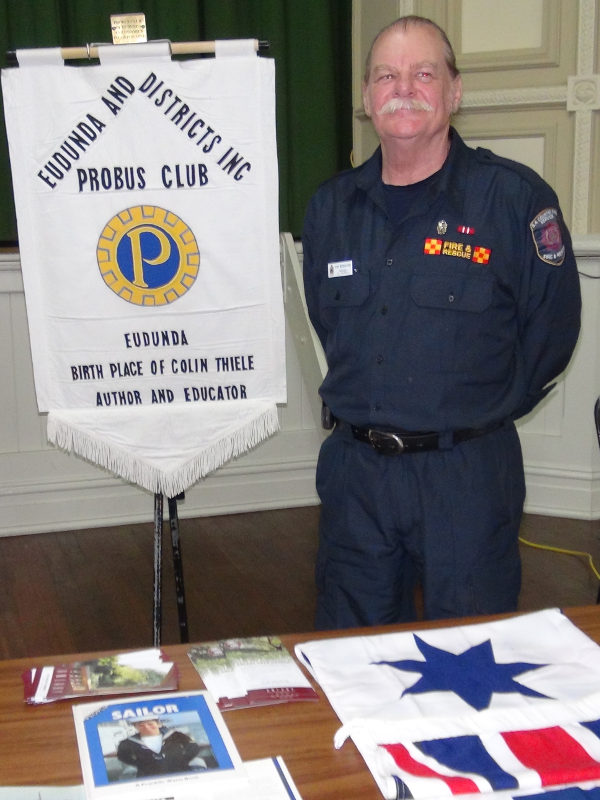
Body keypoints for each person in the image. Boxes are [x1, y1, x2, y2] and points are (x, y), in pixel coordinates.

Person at [302, 15, 581, 629]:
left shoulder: (512, 200)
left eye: (424, 73)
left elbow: (551, 333)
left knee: (471, 661)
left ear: (454, 91)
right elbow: (330, 327)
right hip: (358, 479)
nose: (404, 88)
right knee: (352, 656)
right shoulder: (330, 208)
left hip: (467, 479)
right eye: (386, 76)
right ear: (368, 98)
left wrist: (475, 411)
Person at [116, 716, 210, 777]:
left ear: (158, 724)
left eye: (150, 724)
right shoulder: (128, 741)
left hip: (180, 772)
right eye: (141, 725)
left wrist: (183, 759)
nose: (147, 727)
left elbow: (194, 747)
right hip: (149, 776)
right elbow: (122, 755)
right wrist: (139, 764)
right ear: (135, 727)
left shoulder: (175, 734)